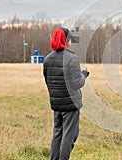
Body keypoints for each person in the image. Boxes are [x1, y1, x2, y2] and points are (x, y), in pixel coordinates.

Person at [43, 27, 89, 160]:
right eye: (69, 39)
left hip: (56, 104)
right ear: (65, 40)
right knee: (70, 135)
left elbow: (48, 81)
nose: (70, 42)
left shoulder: (47, 59)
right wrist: (83, 75)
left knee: (57, 133)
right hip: (70, 105)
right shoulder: (72, 58)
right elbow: (77, 83)